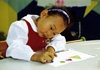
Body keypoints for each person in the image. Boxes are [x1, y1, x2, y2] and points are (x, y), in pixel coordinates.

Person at [6, 6, 73, 63]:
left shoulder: (46, 31)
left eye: (54, 33)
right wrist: (36, 56)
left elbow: (60, 40)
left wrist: (51, 48)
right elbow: (14, 48)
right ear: (43, 14)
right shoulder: (21, 26)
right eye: (51, 28)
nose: (49, 34)